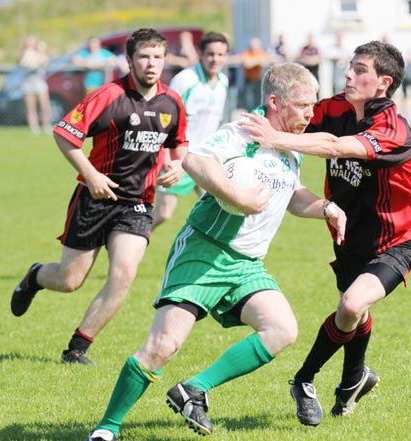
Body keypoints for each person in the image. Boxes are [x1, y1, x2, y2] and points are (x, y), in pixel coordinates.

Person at [85, 62, 347, 441]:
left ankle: (193, 389)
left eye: (314, 105)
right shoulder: (244, 132)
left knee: (282, 329)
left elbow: (291, 194)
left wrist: (326, 207)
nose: (311, 113)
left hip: (246, 264)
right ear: (275, 101)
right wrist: (236, 195)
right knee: (162, 346)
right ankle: (106, 429)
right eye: (303, 105)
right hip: (205, 252)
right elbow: (195, 159)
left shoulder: (289, 143)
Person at [240, 40, 411, 426]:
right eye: (350, 66)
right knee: (355, 311)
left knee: (351, 305)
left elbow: (336, 146)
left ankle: (304, 379)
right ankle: (352, 382)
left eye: (360, 69)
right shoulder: (336, 108)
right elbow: (296, 114)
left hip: (398, 238)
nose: (348, 74)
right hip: (350, 234)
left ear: (383, 82)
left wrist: (275, 139)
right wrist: (258, 121)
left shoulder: (394, 129)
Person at [10, 28, 189, 366]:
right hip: (95, 199)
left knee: (123, 274)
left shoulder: (171, 101)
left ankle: (77, 349)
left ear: (165, 61)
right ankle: (35, 276)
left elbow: (178, 142)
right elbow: (65, 134)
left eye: (157, 58)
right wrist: (91, 175)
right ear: (130, 60)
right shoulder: (108, 95)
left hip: (137, 203)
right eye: (144, 57)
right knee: (69, 280)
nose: (151, 64)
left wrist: (177, 165)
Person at [152, 31, 230, 230]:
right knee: (163, 213)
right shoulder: (186, 80)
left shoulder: (223, 82)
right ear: (201, 54)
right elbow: (165, 120)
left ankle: (202, 256)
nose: (215, 59)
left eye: (220, 55)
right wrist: (166, 159)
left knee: (217, 209)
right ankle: (128, 236)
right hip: (179, 157)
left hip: (204, 158)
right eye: (210, 54)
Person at [19, 35, 51, 135]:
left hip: (39, 82)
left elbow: (44, 61)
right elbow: (23, 63)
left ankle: (47, 126)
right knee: (31, 107)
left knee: (44, 106)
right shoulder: (24, 53)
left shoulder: (40, 53)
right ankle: (34, 128)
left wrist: (41, 51)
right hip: (28, 83)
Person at [239, 37, 269, 110]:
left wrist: (253, 61)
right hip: (248, 80)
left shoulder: (260, 52)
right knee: (249, 101)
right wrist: (257, 60)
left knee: (258, 100)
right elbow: (246, 64)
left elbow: (265, 62)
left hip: (258, 80)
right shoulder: (246, 53)